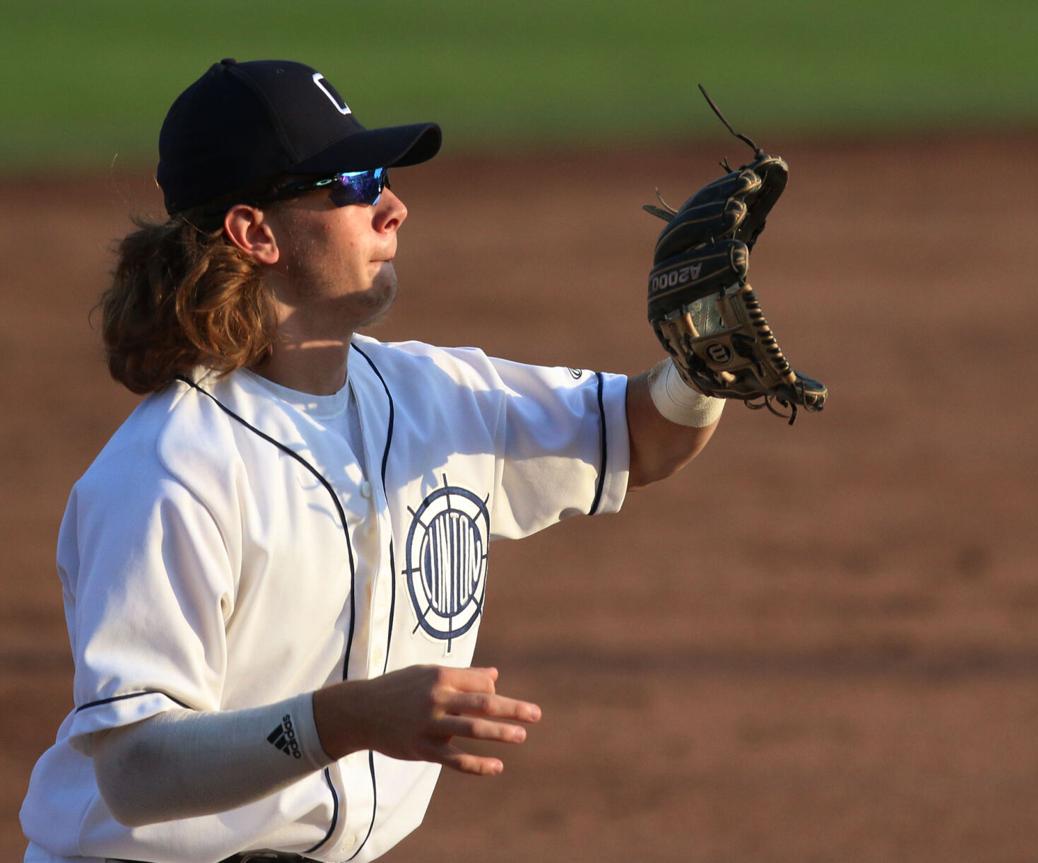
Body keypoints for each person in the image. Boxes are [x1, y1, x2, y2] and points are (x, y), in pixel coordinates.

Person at [19, 59, 726, 863]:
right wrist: (344, 719)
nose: (394, 207)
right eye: (353, 182)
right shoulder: (169, 469)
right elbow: (136, 770)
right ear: (257, 233)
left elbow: (640, 434)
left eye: (382, 175)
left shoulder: (435, 391)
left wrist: (701, 367)